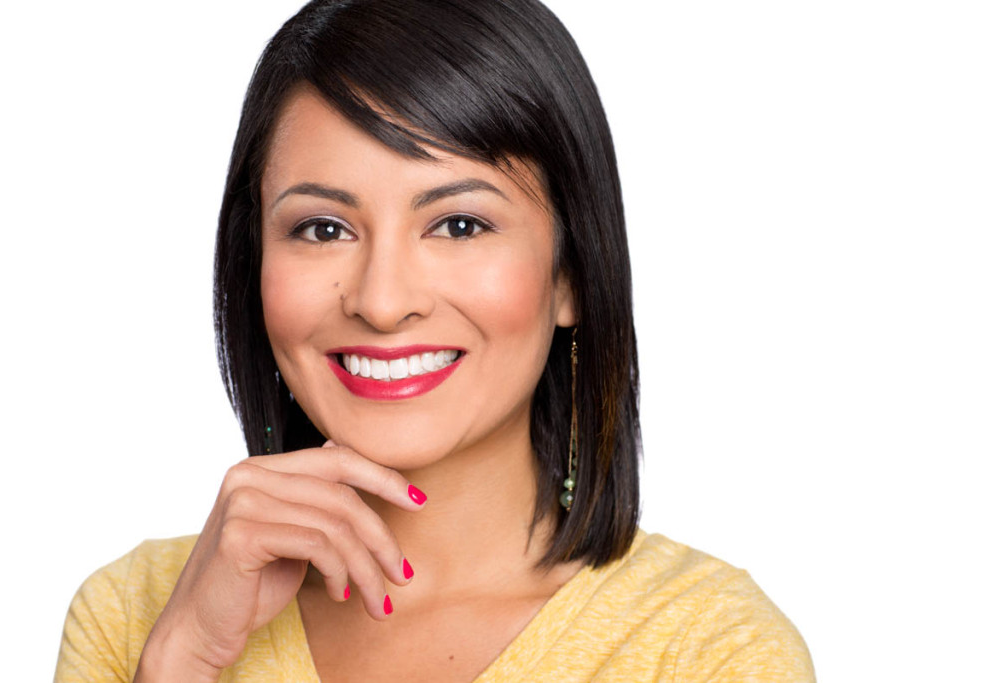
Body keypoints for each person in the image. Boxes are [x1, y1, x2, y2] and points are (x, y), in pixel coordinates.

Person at [55, 0, 814, 680]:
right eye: (323, 228)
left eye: (459, 224)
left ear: (570, 275)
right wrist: (183, 658)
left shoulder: (708, 649)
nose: (383, 303)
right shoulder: (135, 614)